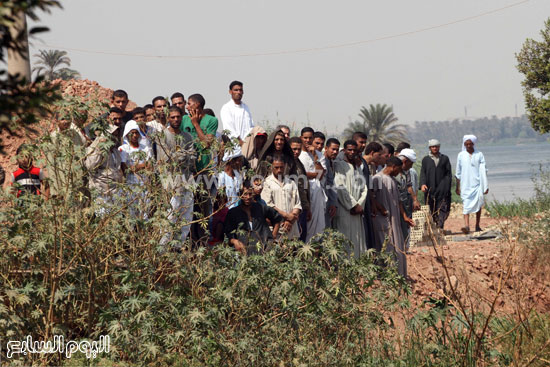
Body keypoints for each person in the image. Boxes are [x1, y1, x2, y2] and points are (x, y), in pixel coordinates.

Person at [180, 93, 218, 244]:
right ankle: (186, 241)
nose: (187, 107)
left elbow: (206, 144)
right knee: (186, 207)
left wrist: (196, 124)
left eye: (189, 104)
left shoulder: (212, 121)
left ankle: (201, 241)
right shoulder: (183, 119)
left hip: (204, 171)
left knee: (202, 207)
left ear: (197, 106)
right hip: (187, 171)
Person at [156, 106, 196, 246]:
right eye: (172, 117)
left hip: (186, 179)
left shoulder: (187, 136)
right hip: (170, 180)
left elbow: (193, 158)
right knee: (171, 215)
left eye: (178, 117)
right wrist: (182, 155)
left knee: (186, 215)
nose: (176, 119)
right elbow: (166, 159)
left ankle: (178, 247)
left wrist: (180, 156)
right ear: (168, 118)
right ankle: (162, 247)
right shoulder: (162, 136)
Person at [372, 156, 414, 277]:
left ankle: (398, 276)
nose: (399, 172)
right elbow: (372, 197)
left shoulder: (393, 180)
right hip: (382, 219)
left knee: (397, 247)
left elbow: (399, 201)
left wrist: (405, 217)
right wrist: (381, 209)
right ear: (393, 167)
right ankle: (385, 276)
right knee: (386, 247)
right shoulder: (377, 179)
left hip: (394, 219)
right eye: (399, 169)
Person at [224, 180, 284, 255]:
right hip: (244, 254)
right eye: (245, 194)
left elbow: (277, 218)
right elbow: (227, 234)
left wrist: (273, 237)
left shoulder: (261, 208)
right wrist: (235, 241)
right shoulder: (233, 213)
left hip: (264, 251)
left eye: (250, 194)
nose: (248, 197)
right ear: (240, 194)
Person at [333, 140, 368, 258]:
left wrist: (360, 205)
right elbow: (340, 187)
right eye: (349, 150)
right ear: (344, 150)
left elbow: (364, 188)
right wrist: (352, 205)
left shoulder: (357, 167)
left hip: (357, 211)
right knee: (345, 238)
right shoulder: (339, 165)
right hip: (345, 209)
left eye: (354, 150)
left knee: (358, 239)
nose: (352, 152)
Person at [84, 125, 123, 215]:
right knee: (103, 217)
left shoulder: (115, 151)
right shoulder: (94, 150)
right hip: (101, 190)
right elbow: (90, 166)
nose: (114, 138)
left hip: (115, 190)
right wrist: (99, 149)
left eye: (116, 135)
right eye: (112, 136)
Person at [261, 154, 302, 239]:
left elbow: (297, 204)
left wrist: (290, 220)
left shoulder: (291, 183)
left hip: (291, 226)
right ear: (271, 167)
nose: (279, 170)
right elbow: (268, 205)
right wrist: (286, 216)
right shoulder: (267, 183)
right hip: (276, 226)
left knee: (291, 251)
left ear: (285, 166)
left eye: (281, 167)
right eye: (276, 167)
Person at [119, 120, 154, 218]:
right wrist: (143, 165)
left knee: (145, 212)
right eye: (132, 133)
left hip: (144, 185)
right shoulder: (123, 149)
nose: (134, 135)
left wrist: (136, 167)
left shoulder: (145, 148)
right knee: (131, 214)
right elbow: (125, 168)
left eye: (136, 133)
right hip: (130, 186)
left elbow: (150, 166)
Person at [456, 135, 488, 233]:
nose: (469, 146)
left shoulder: (479, 154)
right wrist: (458, 187)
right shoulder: (461, 155)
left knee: (478, 205)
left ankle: (477, 225)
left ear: (473, 144)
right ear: (464, 144)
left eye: (470, 144)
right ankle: (467, 226)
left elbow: (484, 170)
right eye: (467, 144)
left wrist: (485, 185)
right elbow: (458, 173)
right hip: (465, 185)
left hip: (478, 185)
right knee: (466, 205)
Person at [299, 127, 326, 242]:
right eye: (305, 138)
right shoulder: (298, 154)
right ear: (301, 138)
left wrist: (315, 156)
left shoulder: (319, 155)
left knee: (318, 229)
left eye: (310, 138)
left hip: (317, 193)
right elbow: (299, 175)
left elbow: (320, 175)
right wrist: (309, 174)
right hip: (303, 192)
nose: (308, 140)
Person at [420, 139, 452, 229]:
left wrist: (446, 186)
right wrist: (422, 184)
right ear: (430, 148)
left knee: (443, 208)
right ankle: (435, 224)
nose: (435, 148)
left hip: (442, 188)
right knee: (431, 208)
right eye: (433, 147)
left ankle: (440, 226)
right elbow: (423, 173)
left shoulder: (445, 158)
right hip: (430, 189)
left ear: (439, 147)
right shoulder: (426, 159)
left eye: (436, 146)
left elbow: (448, 174)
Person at [395, 148, 420, 249]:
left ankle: (405, 247)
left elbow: (409, 186)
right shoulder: (394, 170)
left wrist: (415, 199)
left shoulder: (407, 171)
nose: (411, 166)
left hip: (405, 203)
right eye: (411, 164)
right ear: (405, 161)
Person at [288, 137, 311, 241]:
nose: (296, 152)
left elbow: (305, 187)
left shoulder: (299, 163)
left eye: (298, 149)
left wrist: (307, 207)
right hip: (291, 208)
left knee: (301, 239)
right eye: (294, 149)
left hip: (302, 206)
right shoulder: (285, 164)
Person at [220, 81, 254, 146]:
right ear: (230, 92)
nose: (238, 92)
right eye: (236, 90)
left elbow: (251, 127)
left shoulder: (246, 108)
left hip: (247, 147)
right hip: (234, 148)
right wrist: (240, 142)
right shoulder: (226, 108)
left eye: (240, 90)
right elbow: (229, 129)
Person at [323, 138, 340, 229]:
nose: (335, 152)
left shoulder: (332, 162)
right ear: (326, 148)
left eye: (337, 150)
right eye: (333, 149)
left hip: (330, 202)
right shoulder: (323, 161)